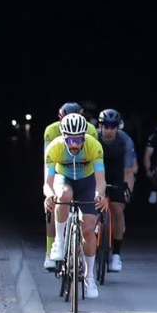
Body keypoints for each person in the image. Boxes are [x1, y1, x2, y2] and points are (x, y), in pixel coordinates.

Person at [44, 113, 106, 299]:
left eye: (79, 139)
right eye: (70, 139)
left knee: (88, 229)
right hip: (65, 179)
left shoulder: (94, 146)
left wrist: (99, 194)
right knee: (62, 195)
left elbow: (101, 180)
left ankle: (89, 277)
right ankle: (60, 242)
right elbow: (48, 183)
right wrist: (49, 195)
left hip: (87, 183)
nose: (74, 144)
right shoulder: (54, 148)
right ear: (64, 136)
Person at [41, 102, 98, 268]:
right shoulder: (51, 131)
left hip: (84, 170)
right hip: (60, 168)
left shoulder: (91, 131)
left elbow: (94, 160)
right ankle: (51, 249)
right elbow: (48, 161)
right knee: (55, 203)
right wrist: (48, 189)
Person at [97, 108, 137, 272]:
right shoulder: (93, 138)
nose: (109, 131)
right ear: (100, 126)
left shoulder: (125, 141)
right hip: (96, 174)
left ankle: (116, 255)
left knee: (117, 209)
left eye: (112, 127)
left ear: (118, 127)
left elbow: (128, 171)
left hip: (117, 176)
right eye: (105, 126)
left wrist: (128, 189)